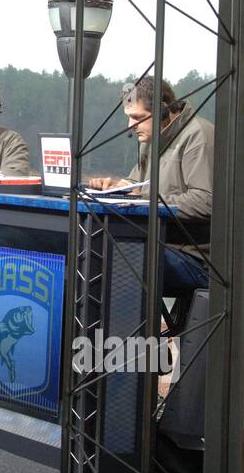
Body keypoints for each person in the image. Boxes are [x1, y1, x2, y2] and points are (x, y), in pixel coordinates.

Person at [87, 76, 213, 332]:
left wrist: (143, 198)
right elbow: (137, 186)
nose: (130, 125)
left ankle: (139, 358)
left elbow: (206, 200)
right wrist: (115, 188)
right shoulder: (151, 138)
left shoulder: (198, 135)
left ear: (164, 109)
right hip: (159, 244)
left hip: (194, 258)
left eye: (136, 117)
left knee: (116, 259)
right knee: (97, 252)